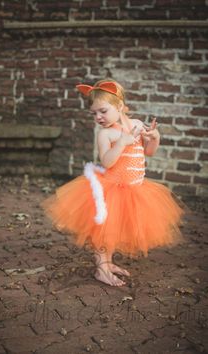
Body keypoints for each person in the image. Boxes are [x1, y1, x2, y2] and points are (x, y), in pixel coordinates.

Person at [41, 79, 184, 287]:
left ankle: (107, 263)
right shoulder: (106, 134)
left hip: (135, 190)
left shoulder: (136, 125)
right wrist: (122, 143)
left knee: (114, 232)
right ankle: (101, 268)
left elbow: (148, 152)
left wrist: (155, 137)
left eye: (103, 111)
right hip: (111, 190)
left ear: (119, 106)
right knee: (103, 233)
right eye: (94, 113)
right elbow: (107, 162)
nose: (98, 117)